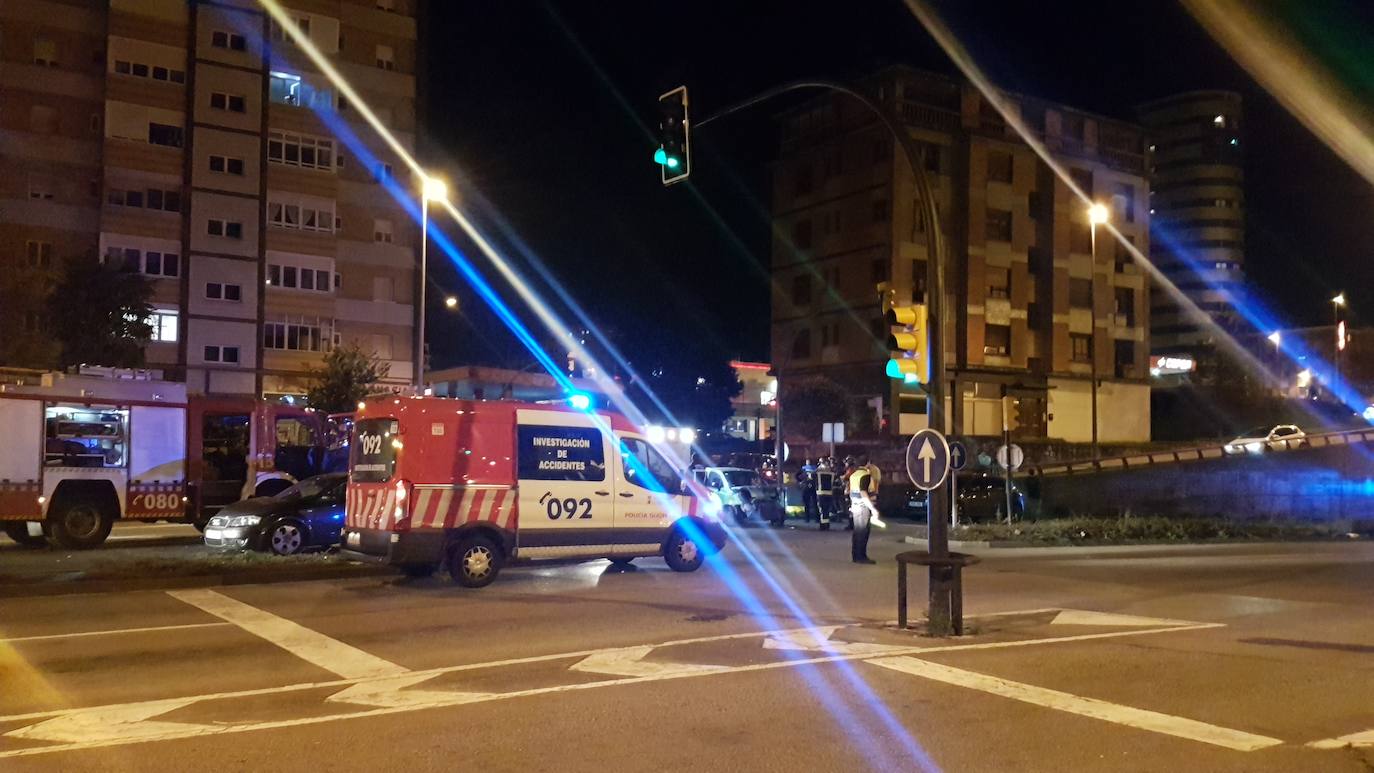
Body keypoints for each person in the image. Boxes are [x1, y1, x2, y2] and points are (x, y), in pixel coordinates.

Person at [848, 454, 878, 564]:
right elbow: (863, 492)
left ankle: (855, 555)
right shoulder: (865, 475)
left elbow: (850, 492)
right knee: (863, 533)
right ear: (868, 463)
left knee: (857, 532)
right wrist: (872, 508)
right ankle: (861, 557)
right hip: (863, 507)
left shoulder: (853, 475)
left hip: (855, 506)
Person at [799, 458, 818, 523]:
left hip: (811, 486)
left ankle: (815, 518)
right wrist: (801, 481)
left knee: (814, 503)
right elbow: (798, 475)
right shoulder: (803, 469)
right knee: (807, 503)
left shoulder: (814, 469)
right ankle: (808, 518)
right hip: (806, 486)